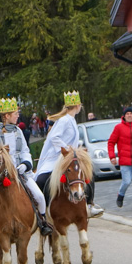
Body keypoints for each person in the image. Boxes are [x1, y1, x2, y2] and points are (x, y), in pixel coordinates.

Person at [0, 96, 53, 247]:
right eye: (15, 113)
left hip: (20, 173)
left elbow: (25, 151)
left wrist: (25, 164)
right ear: (6, 116)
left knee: (39, 195)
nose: (18, 115)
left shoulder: (18, 132)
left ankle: (43, 222)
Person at [34, 91, 104, 219]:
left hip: (69, 157)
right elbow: (54, 137)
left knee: (88, 173)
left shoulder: (71, 120)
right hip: (57, 157)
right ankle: (41, 211)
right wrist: (68, 149)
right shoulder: (64, 120)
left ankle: (89, 204)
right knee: (41, 180)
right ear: (78, 106)